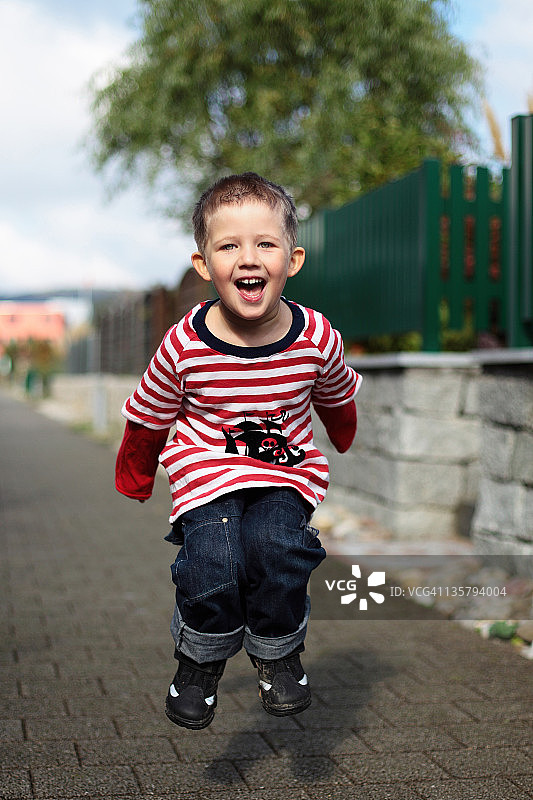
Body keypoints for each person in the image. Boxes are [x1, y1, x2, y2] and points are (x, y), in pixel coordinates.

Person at [115, 172, 362, 730]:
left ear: (292, 259)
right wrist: (135, 473)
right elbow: (149, 412)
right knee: (214, 561)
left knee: (276, 547)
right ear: (204, 264)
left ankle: (277, 653)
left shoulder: (315, 335)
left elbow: (336, 390)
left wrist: (342, 432)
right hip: (205, 469)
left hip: (285, 470)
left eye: (265, 244)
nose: (248, 259)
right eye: (229, 246)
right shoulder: (184, 344)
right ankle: (199, 660)